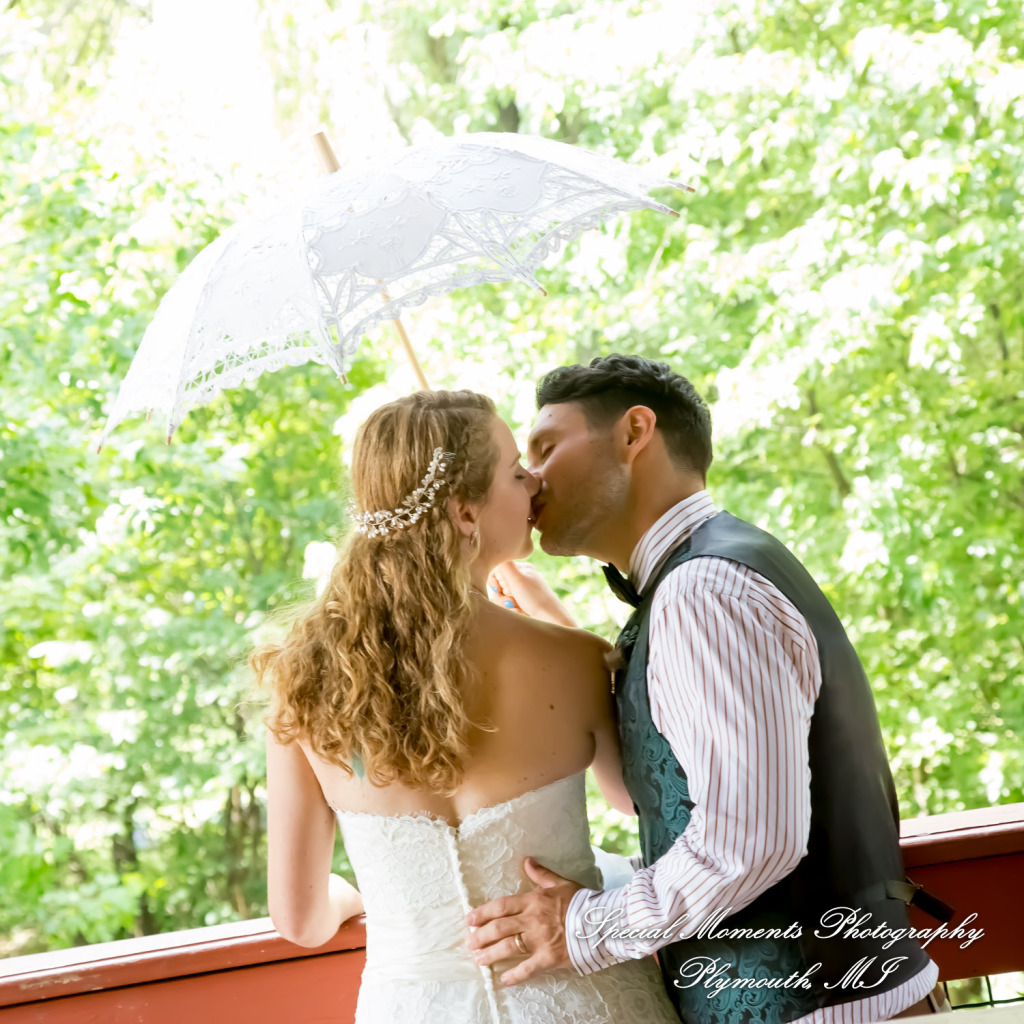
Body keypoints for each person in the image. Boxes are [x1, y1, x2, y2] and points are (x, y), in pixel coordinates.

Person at [467, 354, 953, 1023]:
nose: (531, 476)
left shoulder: (704, 592)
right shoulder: (700, 577)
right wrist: (558, 633)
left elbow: (748, 843)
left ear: (636, 432)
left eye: (547, 446)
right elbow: (650, 795)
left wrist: (584, 929)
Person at [250, 389, 680, 1024]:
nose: (533, 482)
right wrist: (553, 619)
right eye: (513, 471)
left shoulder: (303, 681)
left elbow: (299, 921)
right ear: (464, 513)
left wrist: (348, 899)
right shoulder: (573, 661)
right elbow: (635, 799)